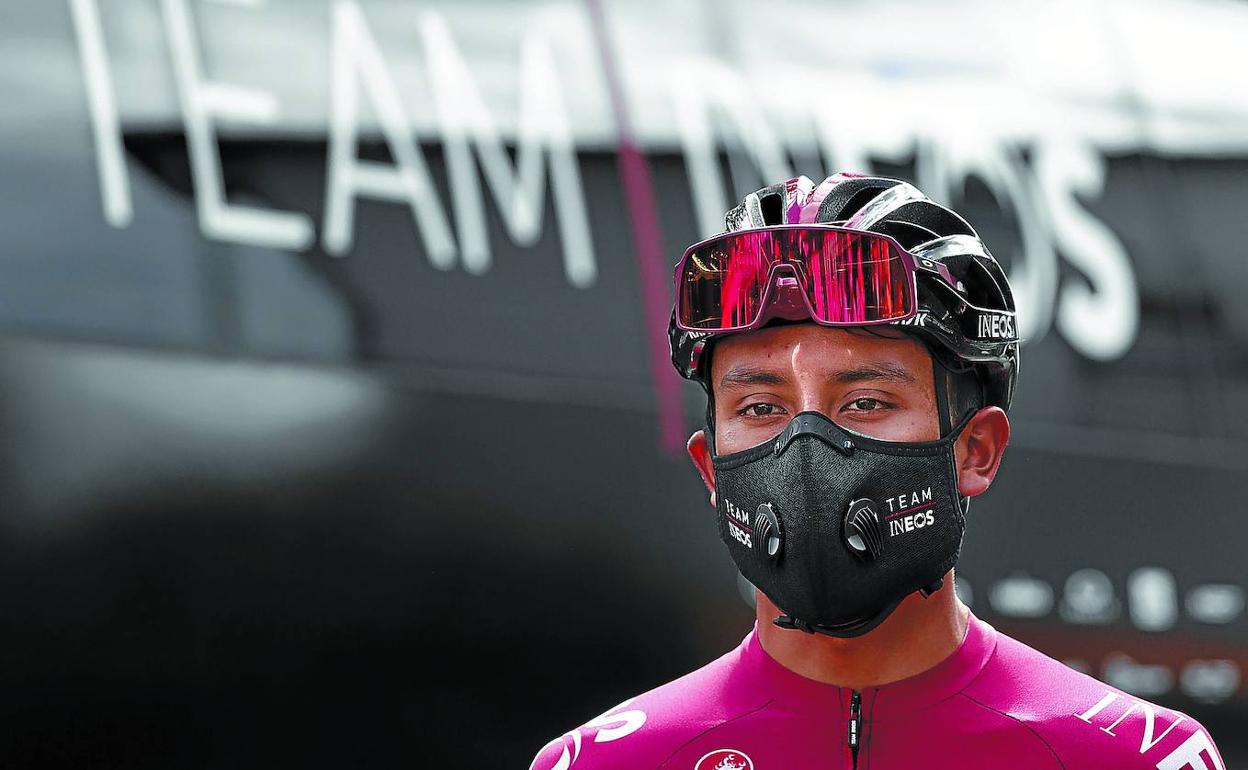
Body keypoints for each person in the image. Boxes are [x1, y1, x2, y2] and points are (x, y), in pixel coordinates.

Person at [529, 174, 1226, 770]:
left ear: (975, 450)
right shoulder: (603, 763)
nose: (806, 446)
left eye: (866, 401)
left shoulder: (1138, 758)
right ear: (711, 467)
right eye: (761, 406)